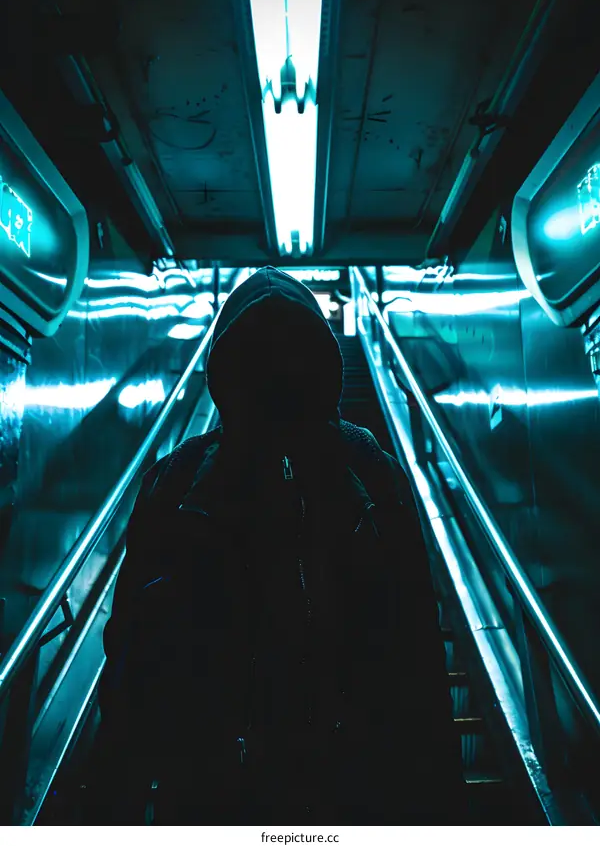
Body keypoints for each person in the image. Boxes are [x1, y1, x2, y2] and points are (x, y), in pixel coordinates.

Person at [86, 265, 465, 824]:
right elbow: (131, 657)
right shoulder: (179, 481)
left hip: (344, 793)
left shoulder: (370, 472)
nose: (276, 376)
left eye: (290, 355)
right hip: (219, 792)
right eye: (257, 358)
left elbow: (418, 648)